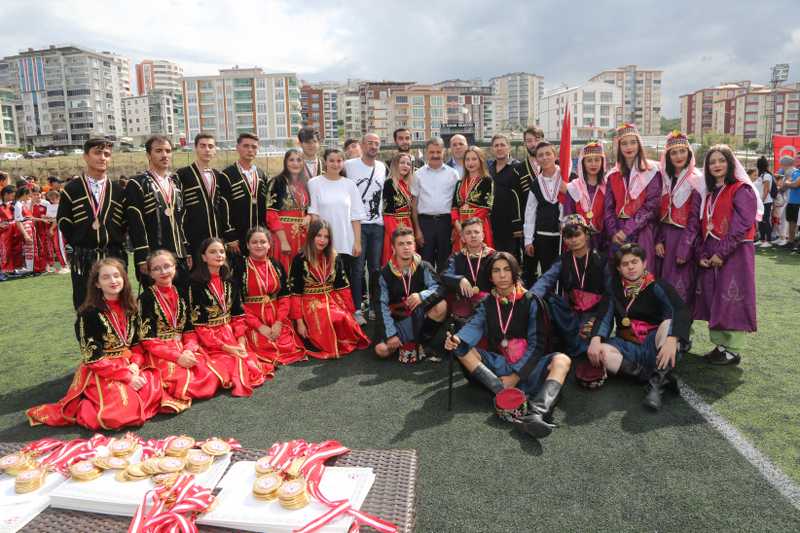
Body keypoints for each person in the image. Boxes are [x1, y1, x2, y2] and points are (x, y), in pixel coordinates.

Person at [27, 258, 166, 430]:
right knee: (120, 415)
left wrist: (135, 366)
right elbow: (93, 359)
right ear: (97, 284)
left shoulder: (131, 308)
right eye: (106, 277)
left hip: (129, 365)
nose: (113, 281)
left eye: (117, 276)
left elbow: (136, 346)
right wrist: (127, 377)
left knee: (155, 389)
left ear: (124, 279)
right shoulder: (89, 314)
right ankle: (82, 404)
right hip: (102, 369)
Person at [444, 252, 572, 438]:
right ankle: (504, 393)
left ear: (514, 272)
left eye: (506, 270)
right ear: (490, 276)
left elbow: (537, 344)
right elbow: (474, 326)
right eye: (496, 271)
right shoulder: (486, 302)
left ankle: (536, 413)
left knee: (562, 360)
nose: (502, 275)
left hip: (528, 365)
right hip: (501, 364)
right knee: (461, 349)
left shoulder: (530, 300)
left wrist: (516, 375)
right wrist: (457, 339)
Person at [587, 243, 690, 410]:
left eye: (634, 262)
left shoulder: (658, 286)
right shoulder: (613, 289)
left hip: (654, 344)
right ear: (619, 269)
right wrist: (595, 340)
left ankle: (655, 388)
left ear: (644, 263)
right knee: (601, 352)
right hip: (628, 346)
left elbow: (680, 310)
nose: (631, 267)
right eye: (625, 264)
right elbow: (604, 317)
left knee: (669, 324)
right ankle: (652, 376)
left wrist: (672, 339)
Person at [695, 145, 759, 365]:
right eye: (712, 162)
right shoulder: (711, 192)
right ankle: (721, 346)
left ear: (730, 163)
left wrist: (722, 253)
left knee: (733, 297)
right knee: (717, 297)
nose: (716, 165)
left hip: (736, 251)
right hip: (715, 251)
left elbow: (742, 225)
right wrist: (704, 252)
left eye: (721, 160)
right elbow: (706, 225)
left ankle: (733, 350)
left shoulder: (741, 189)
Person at [138, 250, 222, 411]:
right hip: (160, 352)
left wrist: (189, 350)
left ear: (175, 268)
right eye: (157, 269)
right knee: (182, 380)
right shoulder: (146, 298)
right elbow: (148, 340)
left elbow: (189, 330)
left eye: (167, 266)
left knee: (210, 374)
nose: (163, 272)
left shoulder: (182, 293)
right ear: (150, 274)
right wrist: (177, 357)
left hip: (183, 347)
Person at [188, 237, 270, 397]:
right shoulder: (195, 284)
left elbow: (238, 314)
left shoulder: (230, 281)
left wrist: (240, 340)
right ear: (203, 257)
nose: (218, 255)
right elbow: (200, 327)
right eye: (212, 252)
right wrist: (227, 347)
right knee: (235, 366)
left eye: (221, 251)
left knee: (253, 366)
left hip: (230, 334)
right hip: (210, 341)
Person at [57, 138, 128, 309]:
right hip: (84, 257)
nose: (103, 157)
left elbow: (125, 223)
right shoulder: (72, 189)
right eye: (97, 153)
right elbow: (63, 221)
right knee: (85, 303)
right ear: (85, 157)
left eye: (107, 154)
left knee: (118, 303)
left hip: (114, 255)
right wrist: (81, 243)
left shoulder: (118, 190)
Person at [289, 219, 370, 358]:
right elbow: (295, 293)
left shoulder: (335, 256)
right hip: (310, 301)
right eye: (319, 236)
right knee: (331, 318)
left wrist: (350, 312)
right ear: (311, 236)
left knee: (343, 319)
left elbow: (342, 286)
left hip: (332, 298)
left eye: (326, 237)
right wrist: (299, 322)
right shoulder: (300, 258)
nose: (322, 240)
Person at [532, 214, 608, 358]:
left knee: (584, 340)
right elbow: (545, 281)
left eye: (577, 234)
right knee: (545, 299)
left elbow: (610, 295)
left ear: (587, 235)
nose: (573, 240)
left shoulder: (602, 260)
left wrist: (597, 318)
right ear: (564, 239)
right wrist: (528, 297)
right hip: (571, 312)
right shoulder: (562, 260)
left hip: (595, 313)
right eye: (568, 236)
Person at [126, 135, 191, 292]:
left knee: (182, 301)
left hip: (179, 255)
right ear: (148, 155)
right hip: (154, 257)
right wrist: (142, 257)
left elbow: (181, 219)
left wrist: (186, 250)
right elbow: (136, 222)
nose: (164, 155)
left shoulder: (175, 181)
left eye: (168, 151)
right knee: (157, 304)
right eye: (159, 151)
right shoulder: (137, 183)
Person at [375, 227, 447, 363]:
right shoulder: (384, 273)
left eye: (409, 243)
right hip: (397, 320)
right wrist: (391, 335)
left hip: (419, 315)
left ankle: (420, 344)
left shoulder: (424, 266)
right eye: (401, 244)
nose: (406, 247)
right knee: (381, 350)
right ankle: (404, 342)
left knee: (441, 306)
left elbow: (439, 287)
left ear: (414, 245)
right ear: (393, 247)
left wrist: (421, 296)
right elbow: (381, 305)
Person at [237, 227, 306, 366]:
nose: (259, 245)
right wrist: (259, 326)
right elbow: (237, 302)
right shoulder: (240, 267)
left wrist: (279, 322)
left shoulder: (276, 265)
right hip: (251, 318)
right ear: (247, 245)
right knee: (262, 347)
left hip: (275, 317)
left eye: (263, 242)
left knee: (288, 347)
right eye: (254, 242)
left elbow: (285, 296)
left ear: (269, 245)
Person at [307, 148, 365, 311]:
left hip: (346, 241)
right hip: (324, 242)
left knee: (348, 277)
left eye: (339, 160)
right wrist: (319, 240)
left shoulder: (350, 184)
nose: (335, 164)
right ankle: (330, 312)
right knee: (326, 278)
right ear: (325, 161)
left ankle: (354, 310)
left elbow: (356, 215)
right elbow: (314, 215)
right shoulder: (314, 183)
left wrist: (358, 242)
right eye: (332, 160)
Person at [654, 131, 704, 308]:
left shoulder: (697, 180)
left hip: (684, 239)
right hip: (664, 240)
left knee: (682, 287)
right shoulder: (663, 178)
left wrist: (684, 248)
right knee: (663, 285)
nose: (678, 156)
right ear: (667, 156)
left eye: (682, 151)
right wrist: (658, 240)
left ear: (689, 153)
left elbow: (695, 220)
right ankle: (664, 328)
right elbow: (657, 214)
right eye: (673, 152)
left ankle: (681, 331)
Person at [603, 123, 662, 262]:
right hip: (618, 231)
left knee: (641, 274)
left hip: (642, 231)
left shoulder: (652, 171)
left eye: (633, 142)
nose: (629, 147)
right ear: (619, 147)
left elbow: (651, 206)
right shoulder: (613, 175)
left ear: (639, 144)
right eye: (624, 143)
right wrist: (614, 233)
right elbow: (608, 208)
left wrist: (627, 230)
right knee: (618, 275)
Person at [344, 133, 387, 323]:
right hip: (357, 225)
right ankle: (356, 308)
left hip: (377, 225)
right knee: (358, 269)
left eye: (377, 143)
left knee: (375, 269)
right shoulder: (349, 166)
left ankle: (374, 306)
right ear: (362, 145)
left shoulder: (382, 167)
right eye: (369, 143)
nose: (373, 146)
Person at [175, 133, 236, 259]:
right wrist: (184, 244)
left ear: (215, 150)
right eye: (202, 146)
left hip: (217, 238)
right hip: (194, 238)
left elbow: (224, 207)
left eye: (210, 146)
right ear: (196, 148)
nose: (207, 150)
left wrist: (228, 235)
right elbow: (179, 210)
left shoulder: (218, 175)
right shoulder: (182, 174)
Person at [410, 137, 460, 272]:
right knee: (426, 262)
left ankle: (445, 292)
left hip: (446, 222)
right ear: (426, 153)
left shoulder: (453, 174)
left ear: (444, 152)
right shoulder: (418, 175)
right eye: (432, 152)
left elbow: (458, 203)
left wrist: (455, 228)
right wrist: (417, 230)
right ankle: (428, 292)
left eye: (438, 152)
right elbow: (414, 205)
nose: (435, 155)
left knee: (446, 261)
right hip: (425, 223)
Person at [220, 133, 269, 264]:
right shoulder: (227, 174)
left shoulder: (261, 174)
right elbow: (223, 207)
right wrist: (230, 236)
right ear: (238, 147)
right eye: (246, 146)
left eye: (254, 147)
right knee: (239, 271)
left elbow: (265, 206)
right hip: (238, 237)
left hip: (259, 237)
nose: (250, 150)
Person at [441, 217, 495, 324]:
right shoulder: (456, 257)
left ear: (483, 236)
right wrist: (460, 279)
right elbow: (444, 274)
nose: (473, 235)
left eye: (476, 232)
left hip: (490, 304)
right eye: (468, 233)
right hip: (464, 305)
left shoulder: (494, 256)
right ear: (463, 238)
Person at [523, 142, 564, 281]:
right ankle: (549, 302)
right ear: (536, 159)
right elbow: (530, 213)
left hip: (565, 236)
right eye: (540, 155)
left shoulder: (568, 176)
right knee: (548, 274)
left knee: (565, 275)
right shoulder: (535, 183)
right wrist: (528, 240)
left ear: (555, 155)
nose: (545, 158)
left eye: (548, 154)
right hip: (543, 236)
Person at [266, 149, 311, 273]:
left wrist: (309, 217)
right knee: (284, 270)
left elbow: (312, 208)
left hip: (303, 234)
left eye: (299, 160)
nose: (295, 163)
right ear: (285, 162)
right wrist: (283, 241)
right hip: (283, 234)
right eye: (291, 160)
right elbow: (271, 213)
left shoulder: (307, 183)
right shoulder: (277, 182)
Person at [564, 141, 607, 253]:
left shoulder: (608, 187)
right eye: (589, 160)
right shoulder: (573, 187)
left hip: (604, 240)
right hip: (579, 241)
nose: (593, 164)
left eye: (597, 160)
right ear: (583, 163)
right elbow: (569, 216)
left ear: (602, 162)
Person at [488, 134, 526, 260]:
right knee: (495, 260)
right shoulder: (489, 169)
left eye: (502, 145)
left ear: (509, 147)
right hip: (493, 224)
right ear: (492, 149)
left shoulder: (518, 167)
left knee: (512, 261)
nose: (499, 148)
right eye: (496, 145)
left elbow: (523, 198)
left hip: (512, 227)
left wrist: (518, 224)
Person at [450, 146, 494, 254]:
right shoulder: (459, 183)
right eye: (467, 159)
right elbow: (454, 207)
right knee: (461, 261)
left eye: (474, 159)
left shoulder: (487, 181)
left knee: (480, 259)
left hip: (478, 227)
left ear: (481, 161)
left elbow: (486, 208)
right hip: (460, 229)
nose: (470, 162)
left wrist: (468, 228)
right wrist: (458, 226)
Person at [381, 152, 415, 266]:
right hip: (394, 226)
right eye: (402, 163)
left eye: (408, 164)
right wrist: (395, 236)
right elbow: (387, 214)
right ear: (395, 165)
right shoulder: (389, 183)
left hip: (407, 224)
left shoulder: (407, 184)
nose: (405, 166)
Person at [777, 155, 800, 250]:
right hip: (791, 201)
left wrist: (787, 183)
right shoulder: (794, 172)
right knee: (791, 222)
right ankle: (790, 241)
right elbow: (788, 184)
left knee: (795, 223)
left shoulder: (796, 172)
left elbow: (794, 185)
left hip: (797, 202)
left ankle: (793, 242)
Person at [30, 185, 54, 273]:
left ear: (41, 194)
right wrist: (31, 205)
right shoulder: (29, 203)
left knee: (47, 246)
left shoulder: (46, 203)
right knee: (39, 247)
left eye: (38, 194)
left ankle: (49, 264)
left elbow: (51, 217)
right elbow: (29, 216)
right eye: (34, 194)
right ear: (31, 195)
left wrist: (46, 218)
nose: (36, 196)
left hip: (45, 228)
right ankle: (40, 266)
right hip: (35, 228)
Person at [45, 189, 69, 273]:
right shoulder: (49, 206)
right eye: (51, 197)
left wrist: (51, 228)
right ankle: (62, 265)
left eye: (55, 197)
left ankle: (65, 265)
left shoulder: (61, 206)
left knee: (60, 247)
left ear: (58, 197)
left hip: (59, 228)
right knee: (56, 247)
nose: (53, 199)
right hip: (52, 226)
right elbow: (49, 217)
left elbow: (57, 219)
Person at [13, 186, 36, 274]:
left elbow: (28, 216)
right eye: (28, 195)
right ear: (24, 194)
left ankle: (30, 268)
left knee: (30, 248)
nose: (29, 197)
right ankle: (29, 269)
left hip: (28, 226)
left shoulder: (21, 204)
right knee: (28, 248)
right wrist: (25, 234)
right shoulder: (18, 205)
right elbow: (18, 221)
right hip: (25, 227)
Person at [754, 156, 774, 247]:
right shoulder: (761, 176)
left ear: (759, 165)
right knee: (760, 220)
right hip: (760, 202)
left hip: (765, 202)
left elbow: (766, 190)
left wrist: (761, 201)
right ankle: (762, 239)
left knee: (765, 220)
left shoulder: (767, 175)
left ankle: (768, 241)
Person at [0, 186, 15, 279]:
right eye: (11, 196)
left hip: (10, 229)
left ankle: (9, 269)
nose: (13, 198)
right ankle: (4, 270)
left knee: (9, 250)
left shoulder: (10, 204)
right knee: (4, 250)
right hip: (2, 231)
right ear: (6, 194)